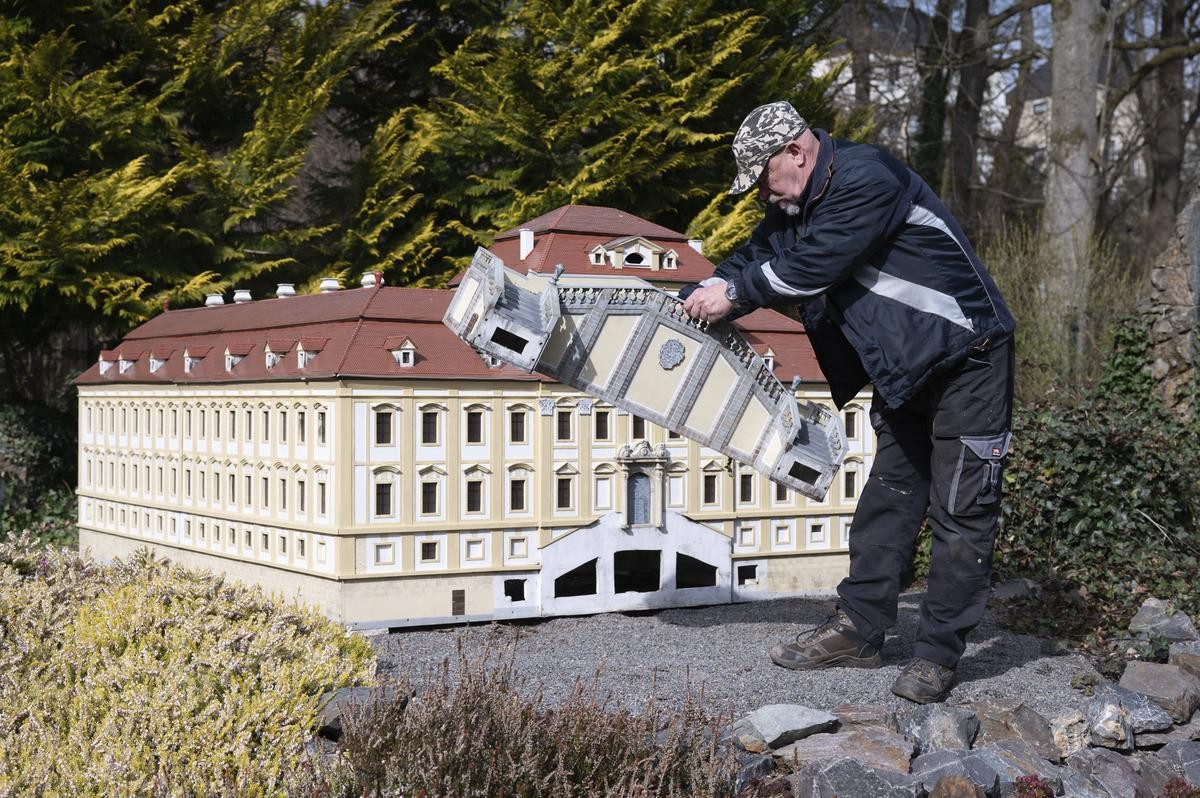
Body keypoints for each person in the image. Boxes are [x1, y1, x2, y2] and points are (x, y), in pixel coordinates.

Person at [680, 101, 1016, 704]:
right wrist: (699, 290)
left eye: (763, 178)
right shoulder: (795, 205)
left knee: (963, 511)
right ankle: (860, 629)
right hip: (903, 370)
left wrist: (732, 295)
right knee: (889, 498)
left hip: (969, 359)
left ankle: (938, 655)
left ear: (795, 152)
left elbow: (811, 268)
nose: (762, 195)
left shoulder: (867, 178)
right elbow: (754, 259)